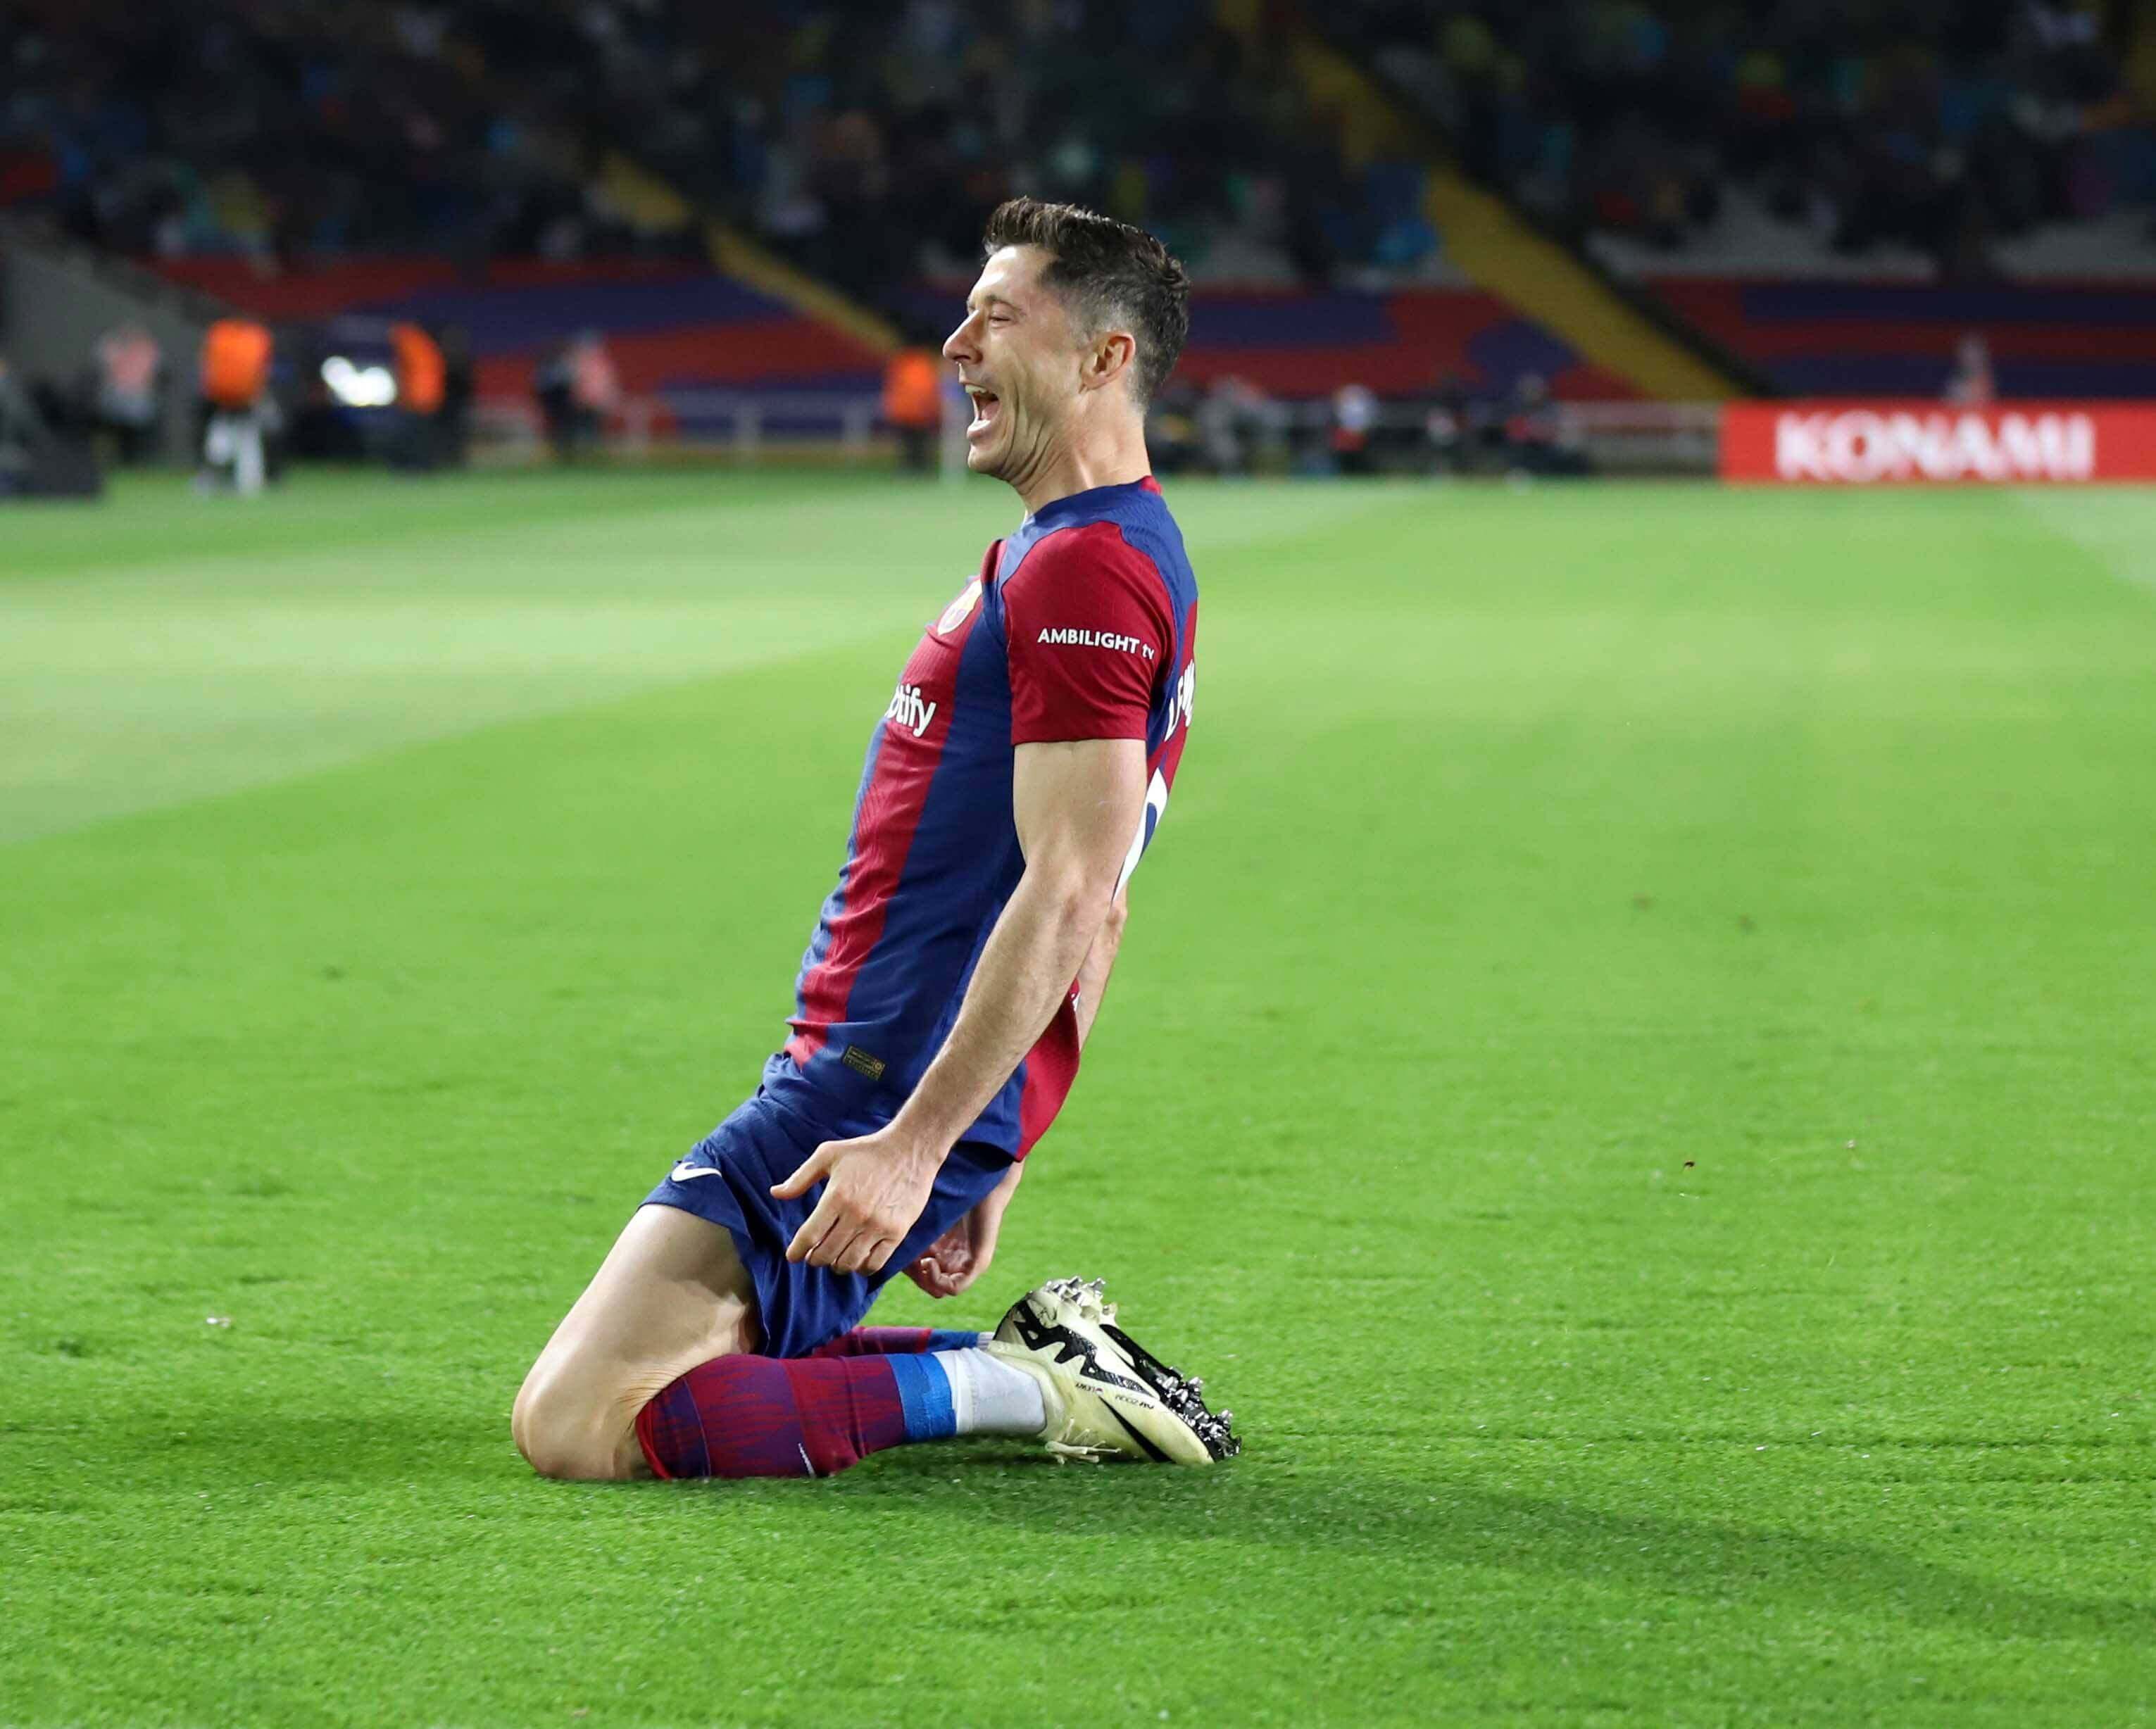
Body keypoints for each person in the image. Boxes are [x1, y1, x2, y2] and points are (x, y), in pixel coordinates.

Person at [513, 198, 1235, 1483]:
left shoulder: (1085, 572)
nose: (955, 342)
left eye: (997, 315)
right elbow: (1100, 894)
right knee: (673, 1366)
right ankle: (1045, 1368)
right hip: (902, 1070)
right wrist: (994, 1138)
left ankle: (1025, 1388)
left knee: (581, 1424)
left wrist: (924, 1144)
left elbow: (1076, 886)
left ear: (1103, 359)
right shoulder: (1093, 549)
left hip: (874, 1078)